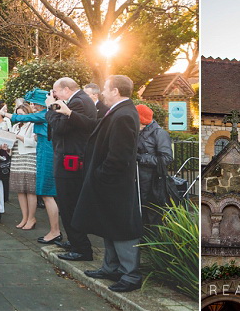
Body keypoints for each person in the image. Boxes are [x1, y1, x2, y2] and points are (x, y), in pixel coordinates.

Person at [73, 75, 143, 292]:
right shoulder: (119, 111)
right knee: (109, 225)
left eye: (105, 89)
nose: (102, 92)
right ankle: (111, 268)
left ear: (115, 91)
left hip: (115, 184)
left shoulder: (124, 115)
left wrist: (102, 175)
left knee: (122, 228)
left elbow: (119, 156)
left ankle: (131, 275)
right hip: (109, 183)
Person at [46, 77, 98, 261]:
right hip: (71, 158)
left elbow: (60, 127)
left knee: (69, 204)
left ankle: (81, 248)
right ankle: (75, 241)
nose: (54, 95)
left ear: (66, 89)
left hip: (71, 161)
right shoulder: (80, 100)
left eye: (56, 91)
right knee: (70, 203)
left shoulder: (78, 102)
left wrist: (50, 108)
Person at [11, 89, 61, 245]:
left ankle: (55, 231)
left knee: (47, 194)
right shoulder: (46, 113)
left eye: (33, 103)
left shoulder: (45, 113)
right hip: (42, 152)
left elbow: (25, 117)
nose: (31, 105)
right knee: (45, 194)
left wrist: (6, 114)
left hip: (46, 152)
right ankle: (54, 230)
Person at [134, 104, 173, 228]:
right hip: (137, 179)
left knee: (151, 214)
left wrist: (141, 158)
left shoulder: (159, 134)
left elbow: (167, 158)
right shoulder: (137, 131)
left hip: (153, 182)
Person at [7, 104, 38, 230]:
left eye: (22, 114)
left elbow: (34, 142)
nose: (19, 117)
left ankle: (32, 217)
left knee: (30, 189)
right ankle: (24, 217)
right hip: (16, 157)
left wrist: (18, 137)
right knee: (20, 189)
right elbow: (10, 142)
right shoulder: (15, 126)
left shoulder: (33, 125)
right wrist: (6, 145)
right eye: (17, 114)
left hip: (28, 158)